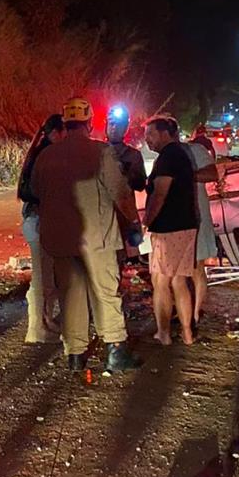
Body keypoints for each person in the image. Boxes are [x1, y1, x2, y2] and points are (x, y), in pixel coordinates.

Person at [31, 96, 141, 374]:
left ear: (66, 124)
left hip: (60, 240)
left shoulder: (46, 155)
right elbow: (121, 193)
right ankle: (115, 350)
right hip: (98, 239)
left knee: (71, 296)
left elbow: (35, 191)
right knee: (105, 294)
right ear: (90, 124)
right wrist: (134, 224)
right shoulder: (101, 153)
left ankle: (75, 354)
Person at [143, 116, 199, 346]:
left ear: (165, 133)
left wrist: (147, 220)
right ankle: (187, 333)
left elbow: (160, 194)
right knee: (180, 281)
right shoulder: (181, 155)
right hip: (186, 224)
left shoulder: (168, 157)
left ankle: (163, 333)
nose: (147, 140)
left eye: (150, 134)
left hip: (168, 229)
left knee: (161, 281)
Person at [17, 114, 64, 343]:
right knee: (41, 279)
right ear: (56, 132)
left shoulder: (40, 151)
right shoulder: (48, 155)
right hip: (39, 222)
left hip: (36, 222)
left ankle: (45, 321)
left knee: (46, 277)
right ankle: (36, 329)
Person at [183, 138, 220, 322]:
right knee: (179, 271)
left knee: (197, 267)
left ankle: (195, 313)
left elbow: (213, 173)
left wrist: (185, 175)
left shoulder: (195, 150)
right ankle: (183, 310)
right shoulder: (164, 156)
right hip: (175, 222)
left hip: (197, 216)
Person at [106, 106, 146, 192]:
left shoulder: (134, 156)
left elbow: (141, 186)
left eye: (119, 125)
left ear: (125, 128)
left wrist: (126, 173)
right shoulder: (96, 151)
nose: (114, 128)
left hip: (123, 203)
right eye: (111, 123)